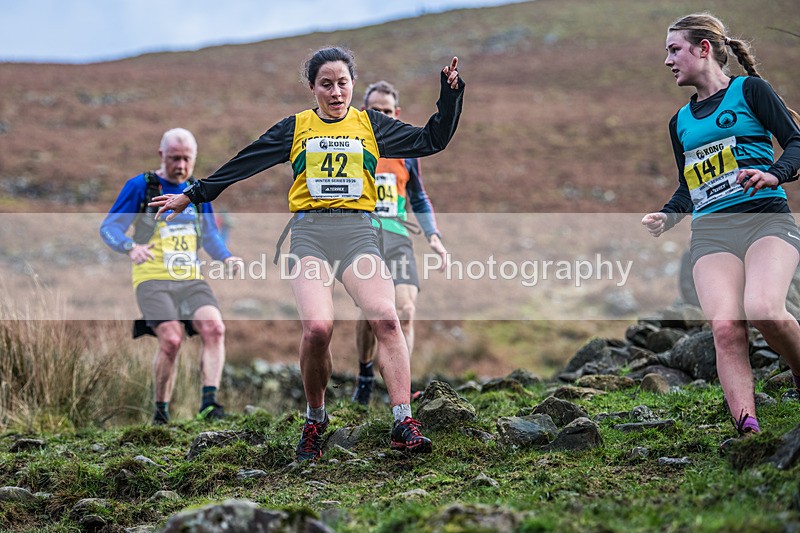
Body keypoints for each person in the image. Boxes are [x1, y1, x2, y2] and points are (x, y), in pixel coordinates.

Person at [149, 47, 464, 461]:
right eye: (326, 84)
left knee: (386, 317)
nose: (336, 92)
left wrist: (450, 94)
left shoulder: (372, 125)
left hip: (357, 234)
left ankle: (403, 421)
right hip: (310, 236)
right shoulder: (295, 127)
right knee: (317, 329)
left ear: (353, 84)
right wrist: (192, 194)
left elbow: (432, 139)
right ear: (313, 88)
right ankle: (316, 420)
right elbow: (243, 163)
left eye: (343, 83)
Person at [641, 13, 800, 443]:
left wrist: (775, 173)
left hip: (765, 219)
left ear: (703, 48)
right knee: (726, 328)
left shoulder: (750, 91)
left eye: (674, 49)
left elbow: (796, 142)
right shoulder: (680, 122)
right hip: (711, 234)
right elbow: (689, 186)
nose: (667, 59)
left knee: (765, 309)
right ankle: (748, 431)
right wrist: (668, 215)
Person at [100, 128, 242, 425]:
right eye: (174, 158)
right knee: (172, 340)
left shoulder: (197, 191)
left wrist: (227, 257)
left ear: (194, 158)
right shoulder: (141, 186)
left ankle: (208, 404)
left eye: (186, 159)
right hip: (152, 278)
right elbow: (109, 228)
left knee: (215, 328)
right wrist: (130, 247)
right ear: (161, 155)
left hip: (190, 278)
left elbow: (210, 235)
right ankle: (161, 412)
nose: (180, 165)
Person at [351, 80, 448, 405]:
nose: (381, 116)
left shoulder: (407, 151)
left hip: (398, 237)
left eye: (387, 111)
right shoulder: (351, 144)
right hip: (362, 236)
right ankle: (365, 375)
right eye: (374, 110)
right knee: (370, 313)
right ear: (365, 112)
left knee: (405, 310)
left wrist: (433, 234)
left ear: (397, 113)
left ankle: (401, 389)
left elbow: (419, 195)